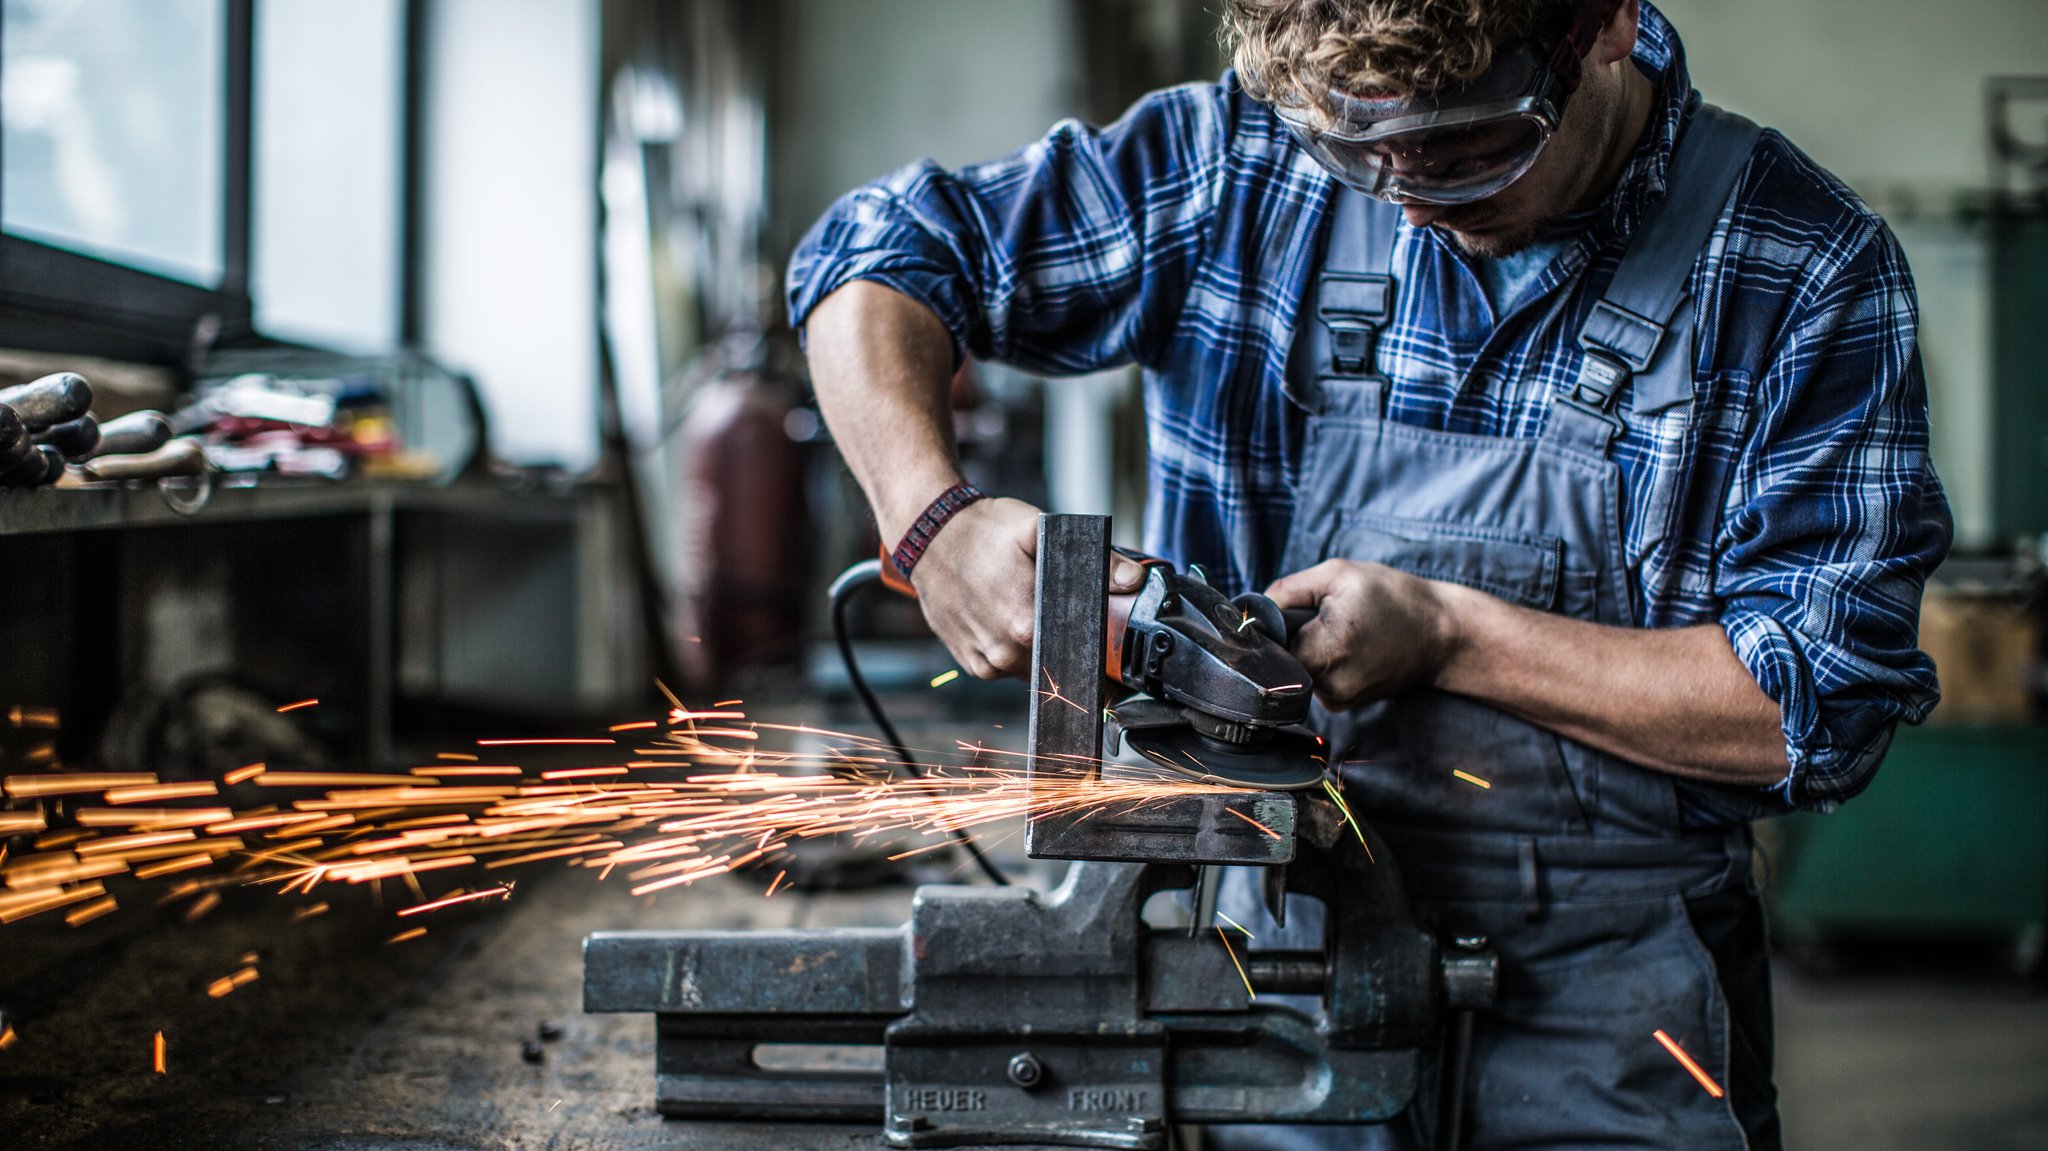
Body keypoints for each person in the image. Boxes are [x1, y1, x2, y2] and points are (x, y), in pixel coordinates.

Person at [787, 0, 1950, 1146]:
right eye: (1356, 149)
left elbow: (1811, 708)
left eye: (1463, 147)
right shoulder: (1233, 168)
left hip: (1614, 1009)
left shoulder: (1798, 266)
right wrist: (931, 518)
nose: (1405, 196)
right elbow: (872, 250)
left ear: (1597, 24)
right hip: (1274, 976)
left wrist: (1449, 636)